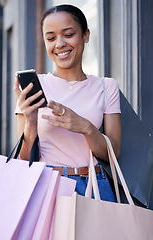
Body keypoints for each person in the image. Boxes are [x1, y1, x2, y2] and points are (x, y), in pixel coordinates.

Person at [14, 4, 121, 202]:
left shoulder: (107, 87)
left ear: (86, 35)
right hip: (47, 186)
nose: (60, 44)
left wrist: (86, 128)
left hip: (95, 188)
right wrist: (31, 121)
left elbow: (113, 153)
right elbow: (25, 157)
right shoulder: (36, 86)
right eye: (51, 38)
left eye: (68, 34)